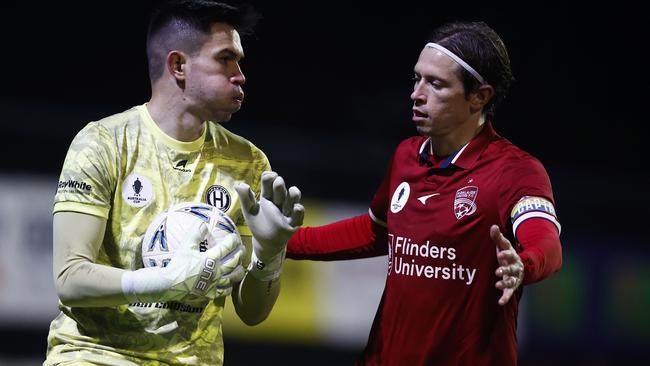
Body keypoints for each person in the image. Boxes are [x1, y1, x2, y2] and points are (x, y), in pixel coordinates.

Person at [287, 21, 562, 365]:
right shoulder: (406, 156)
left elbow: (546, 242)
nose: (417, 94)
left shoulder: (516, 171)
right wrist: (284, 243)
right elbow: (376, 231)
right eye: (417, 79)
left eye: (435, 84)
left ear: (480, 96)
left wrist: (524, 263)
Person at [45, 1, 304, 365]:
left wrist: (270, 255)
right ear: (178, 65)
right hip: (96, 355)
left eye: (240, 61)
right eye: (226, 59)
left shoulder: (247, 163)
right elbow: (70, 278)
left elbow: (252, 313)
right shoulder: (103, 142)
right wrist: (165, 280)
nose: (240, 75)